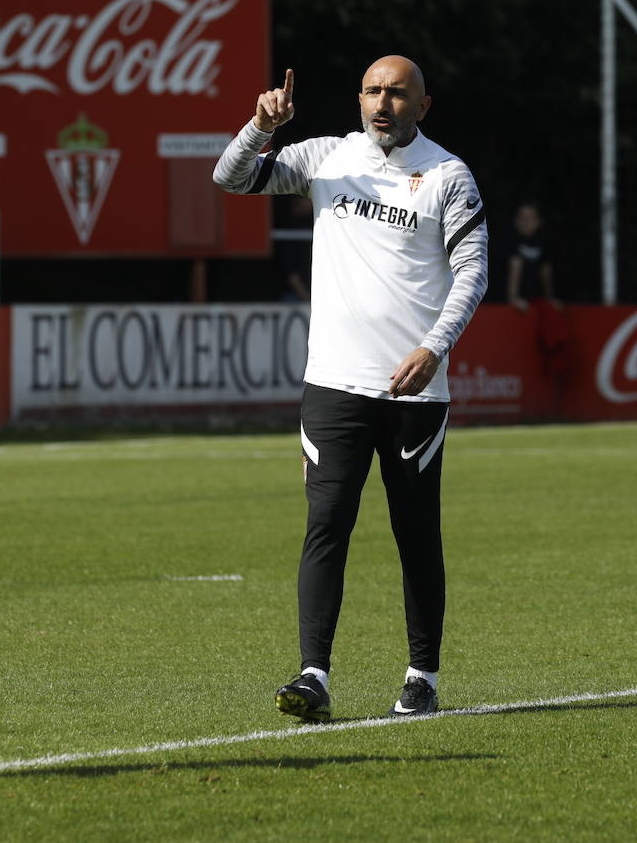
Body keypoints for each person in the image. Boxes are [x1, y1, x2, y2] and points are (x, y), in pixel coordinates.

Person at [213, 56, 488, 721]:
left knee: (416, 535)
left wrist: (434, 347)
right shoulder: (325, 158)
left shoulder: (448, 176)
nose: (382, 103)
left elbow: (473, 272)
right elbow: (231, 178)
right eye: (371, 91)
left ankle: (421, 676)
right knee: (325, 527)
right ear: (358, 98)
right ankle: (314, 676)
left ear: (424, 105)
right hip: (333, 384)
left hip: (414, 393)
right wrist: (258, 125)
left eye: (397, 93)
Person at [507, 201, 558, 311]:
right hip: (513, 306)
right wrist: (513, 298)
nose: (525, 222)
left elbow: (546, 271)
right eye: (522, 217)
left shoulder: (544, 242)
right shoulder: (509, 241)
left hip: (536, 302)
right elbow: (514, 268)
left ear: (538, 221)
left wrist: (550, 297)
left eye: (530, 218)